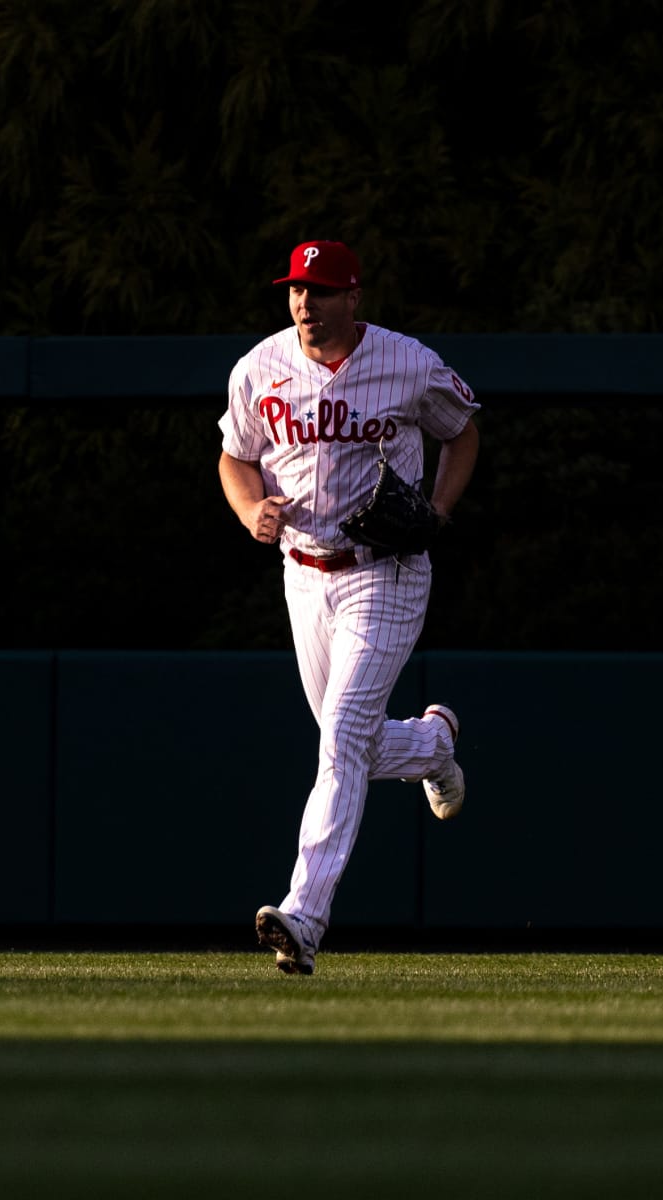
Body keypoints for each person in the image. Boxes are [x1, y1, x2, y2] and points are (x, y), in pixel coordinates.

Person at [218, 239, 480, 975]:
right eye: (298, 290)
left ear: (354, 296)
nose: (307, 303)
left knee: (339, 738)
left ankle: (302, 918)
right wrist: (248, 510)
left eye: (323, 290)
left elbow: (461, 429)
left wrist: (437, 509)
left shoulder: (406, 362)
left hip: (385, 572)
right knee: (350, 746)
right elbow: (235, 454)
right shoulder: (259, 368)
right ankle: (432, 746)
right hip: (303, 576)